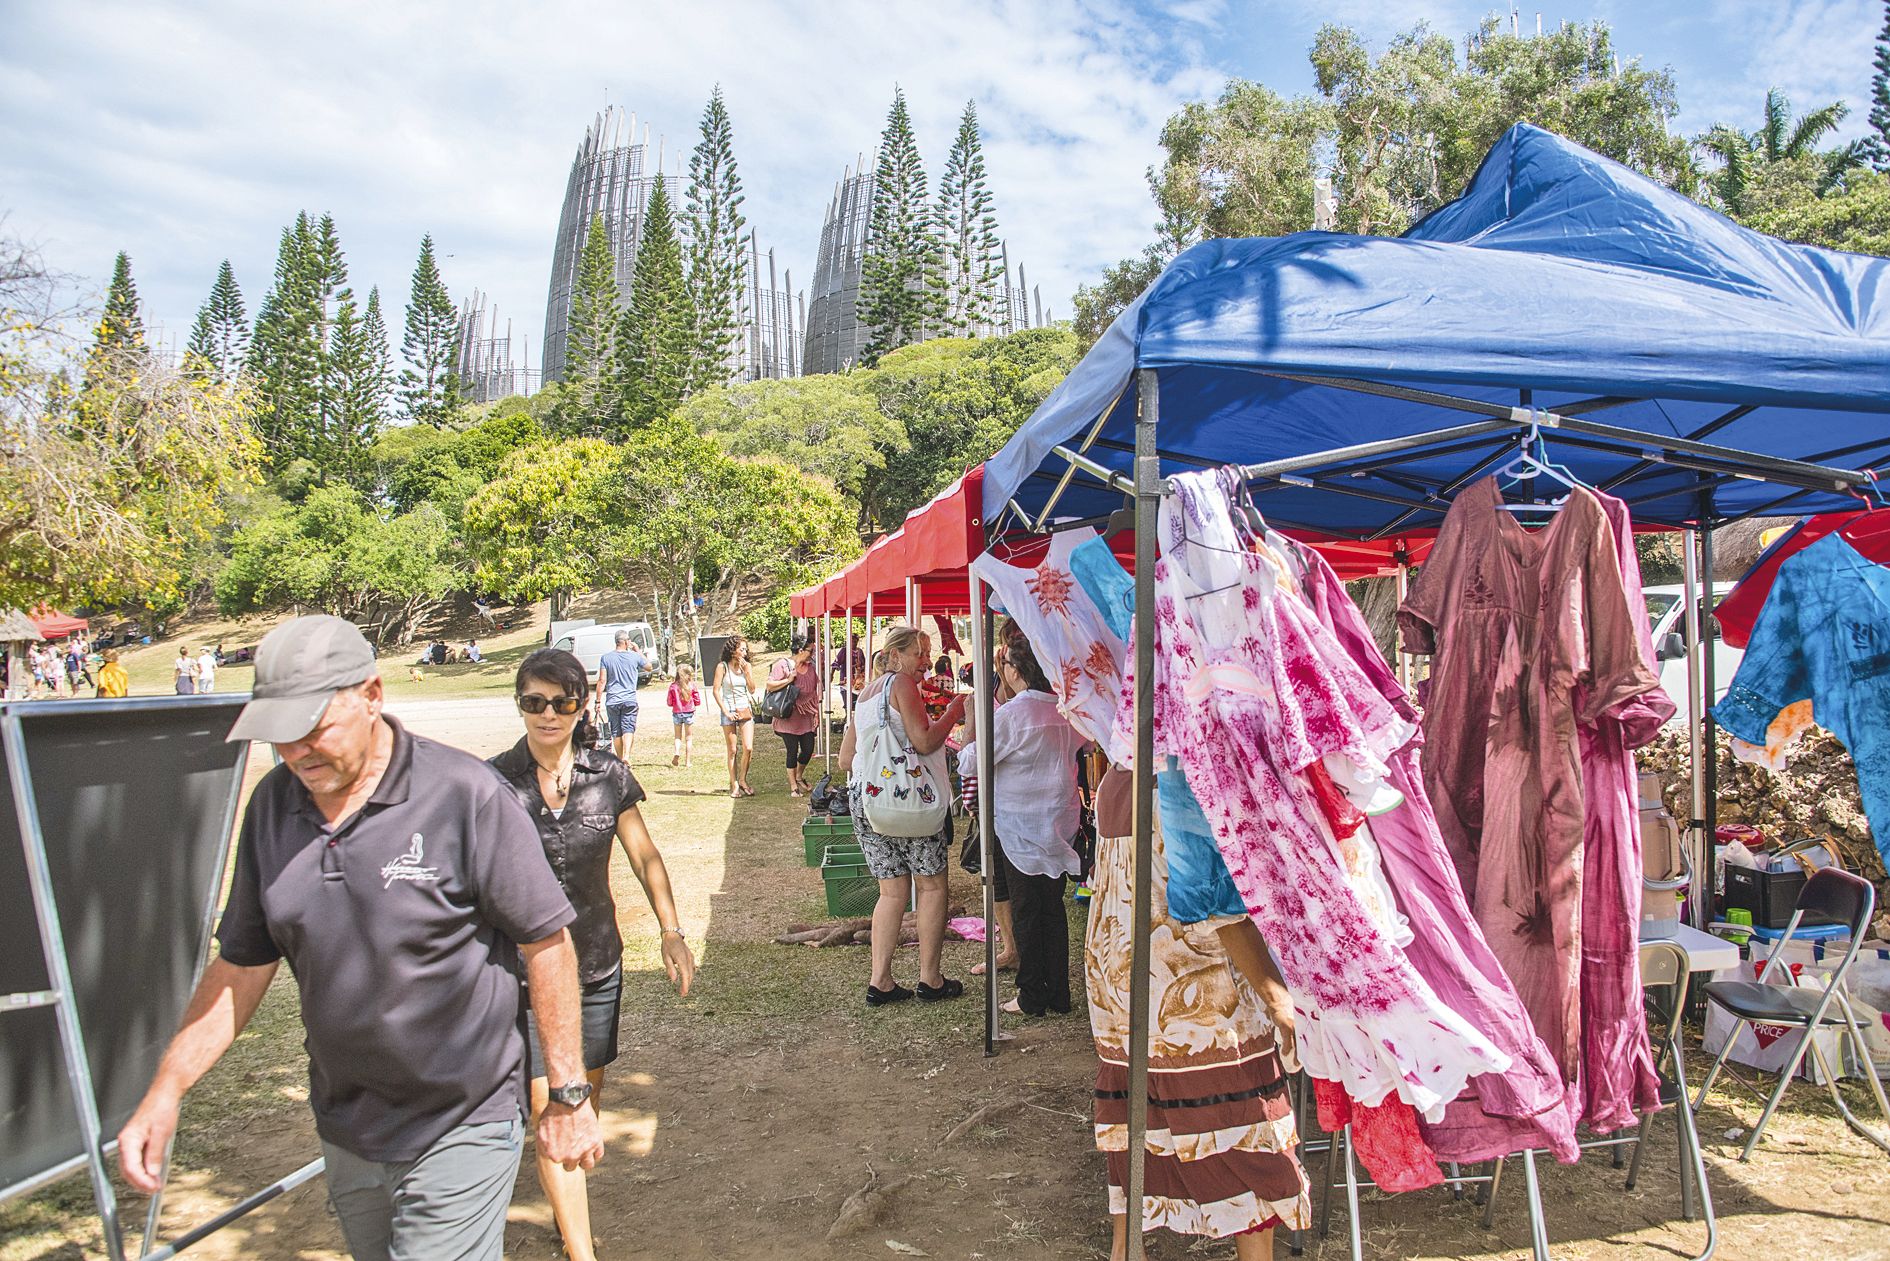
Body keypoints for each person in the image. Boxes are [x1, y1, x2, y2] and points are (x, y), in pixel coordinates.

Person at [117, 615, 602, 1260]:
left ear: (373, 695)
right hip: (348, 1124)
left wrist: (567, 1093)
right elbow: (242, 964)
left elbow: (548, 943)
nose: (297, 753)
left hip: (462, 1117)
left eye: (314, 728)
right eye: (279, 737)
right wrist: (166, 1088)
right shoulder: (272, 805)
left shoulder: (464, 795)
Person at [490, 649, 695, 1261]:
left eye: (562, 702)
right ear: (520, 705)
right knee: (550, 1099)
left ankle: (565, 1195)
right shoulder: (493, 782)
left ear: (583, 705)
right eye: (534, 702)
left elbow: (644, 855)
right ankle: (580, 1247)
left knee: (584, 1097)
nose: (548, 714)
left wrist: (671, 930)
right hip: (522, 971)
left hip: (597, 961)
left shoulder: (608, 775)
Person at [958, 627, 1089, 1016]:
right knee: (1052, 910)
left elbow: (970, 762)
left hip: (1020, 824)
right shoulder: (1062, 707)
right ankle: (1057, 992)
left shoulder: (1016, 713)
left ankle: (1033, 993)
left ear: (1018, 669)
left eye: (1006, 665)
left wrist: (970, 723)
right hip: (1058, 820)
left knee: (1028, 911)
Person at [836, 625, 967, 1006]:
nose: (927, 660)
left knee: (891, 892)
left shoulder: (864, 694)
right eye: (920, 653)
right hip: (909, 799)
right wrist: (955, 712)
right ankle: (931, 978)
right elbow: (925, 740)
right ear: (896, 656)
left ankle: (881, 980)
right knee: (930, 886)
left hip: (866, 799)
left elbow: (847, 758)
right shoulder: (902, 686)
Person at [766, 634, 822, 796]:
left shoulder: (810, 668)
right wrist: (788, 680)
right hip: (788, 716)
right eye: (810, 651)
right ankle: (793, 786)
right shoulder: (782, 665)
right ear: (800, 650)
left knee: (807, 749)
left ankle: (799, 775)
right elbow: (770, 686)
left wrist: (816, 712)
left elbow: (813, 691)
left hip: (805, 716)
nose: (812, 655)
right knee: (792, 750)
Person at [711, 637, 758, 798]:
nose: (744, 653)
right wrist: (726, 711)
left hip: (744, 708)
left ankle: (743, 779)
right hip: (729, 708)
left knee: (748, 747)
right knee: (732, 750)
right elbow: (716, 690)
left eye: (746, 649)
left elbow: (752, 689)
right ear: (733, 650)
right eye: (741, 649)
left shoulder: (747, 667)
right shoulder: (722, 667)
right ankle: (734, 784)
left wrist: (746, 672)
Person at [594, 630, 648, 763]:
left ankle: (619, 758)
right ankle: (627, 756)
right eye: (629, 640)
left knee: (616, 731)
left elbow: (602, 680)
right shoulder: (634, 657)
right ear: (625, 642)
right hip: (629, 699)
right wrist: (638, 651)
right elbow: (648, 666)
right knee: (628, 728)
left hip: (612, 700)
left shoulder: (606, 658)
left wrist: (597, 701)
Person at [666, 662, 700, 768]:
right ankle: (688, 761)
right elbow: (697, 700)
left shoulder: (673, 686)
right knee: (689, 738)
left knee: (677, 737)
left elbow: (669, 702)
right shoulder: (692, 685)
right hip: (689, 713)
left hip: (677, 713)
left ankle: (677, 752)